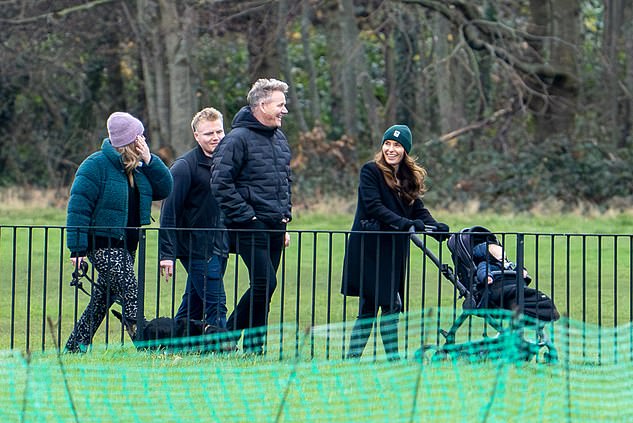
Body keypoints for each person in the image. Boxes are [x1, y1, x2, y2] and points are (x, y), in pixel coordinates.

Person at [65, 112, 173, 353]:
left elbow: (165, 188)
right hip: (103, 245)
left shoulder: (139, 167)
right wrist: (77, 248)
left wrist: (151, 159)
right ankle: (147, 349)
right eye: (139, 136)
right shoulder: (94, 166)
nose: (143, 140)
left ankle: (74, 348)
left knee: (101, 302)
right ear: (129, 140)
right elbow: (78, 207)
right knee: (130, 291)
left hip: (128, 246)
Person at [341, 124, 450, 361]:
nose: (391, 149)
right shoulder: (370, 171)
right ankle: (390, 359)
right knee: (386, 304)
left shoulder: (407, 178)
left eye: (397, 145)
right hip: (369, 247)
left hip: (393, 250)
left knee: (376, 306)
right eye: (388, 144)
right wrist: (404, 223)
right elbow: (374, 207)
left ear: (405, 150)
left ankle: (353, 359)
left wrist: (435, 228)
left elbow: (417, 209)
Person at [211, 78, 292, 354]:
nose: (285, 110)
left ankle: (236, 340)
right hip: (249, 225)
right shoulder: (236, 139)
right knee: (265, 282)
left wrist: (285, 217)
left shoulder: (280, 139)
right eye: (280, 104)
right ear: (262, 105)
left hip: (275, 225)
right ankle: (250, 346)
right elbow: (221, 183)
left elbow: (284, 181)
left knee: (264, 289)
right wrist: (248, 217)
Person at [159, 107, 229, 330]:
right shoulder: (184, 167)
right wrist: (167, 255)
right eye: (209, 133)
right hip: (195, 248)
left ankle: (171, 343)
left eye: (219, 131)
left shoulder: (227, 163)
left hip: (220, 245)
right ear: (196, 135)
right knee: (216, 303)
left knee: (193, 304)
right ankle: (219, 348)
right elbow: (168, 212)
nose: (215, 137)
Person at [472, 242, 560, 322]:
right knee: (519, 295)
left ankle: (546, 309)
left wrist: (521, 270)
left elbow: (516, 269)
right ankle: (534, 312)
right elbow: (482, 271)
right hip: (498, 288)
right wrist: (487, 277)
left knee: (531, 294)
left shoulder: (507, 265)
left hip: (513, 286)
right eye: (500, 258)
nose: (504, 260)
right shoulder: (485, 264)